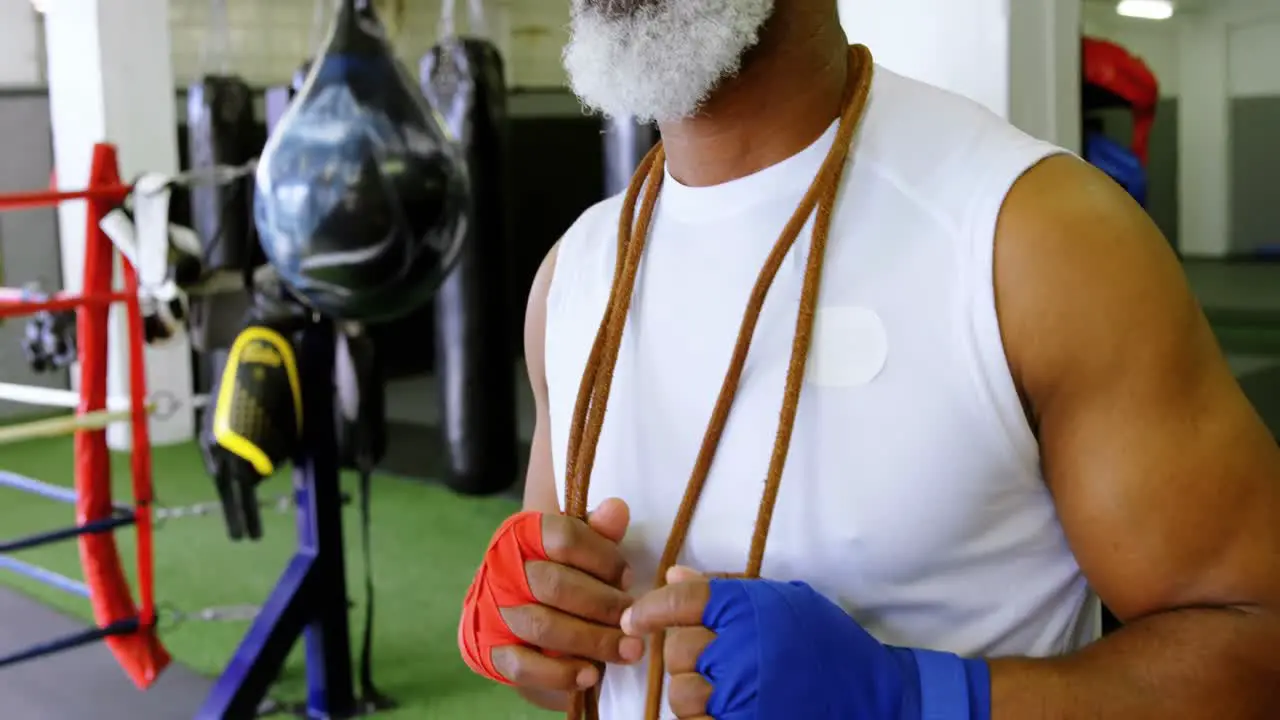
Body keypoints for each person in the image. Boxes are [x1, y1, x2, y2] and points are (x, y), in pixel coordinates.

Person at [458, 0, 1280, 718]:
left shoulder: (1031, 238)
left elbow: (1257, 642)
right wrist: (530, 629)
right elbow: (577, 671)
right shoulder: (573, 277)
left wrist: (918, 700)